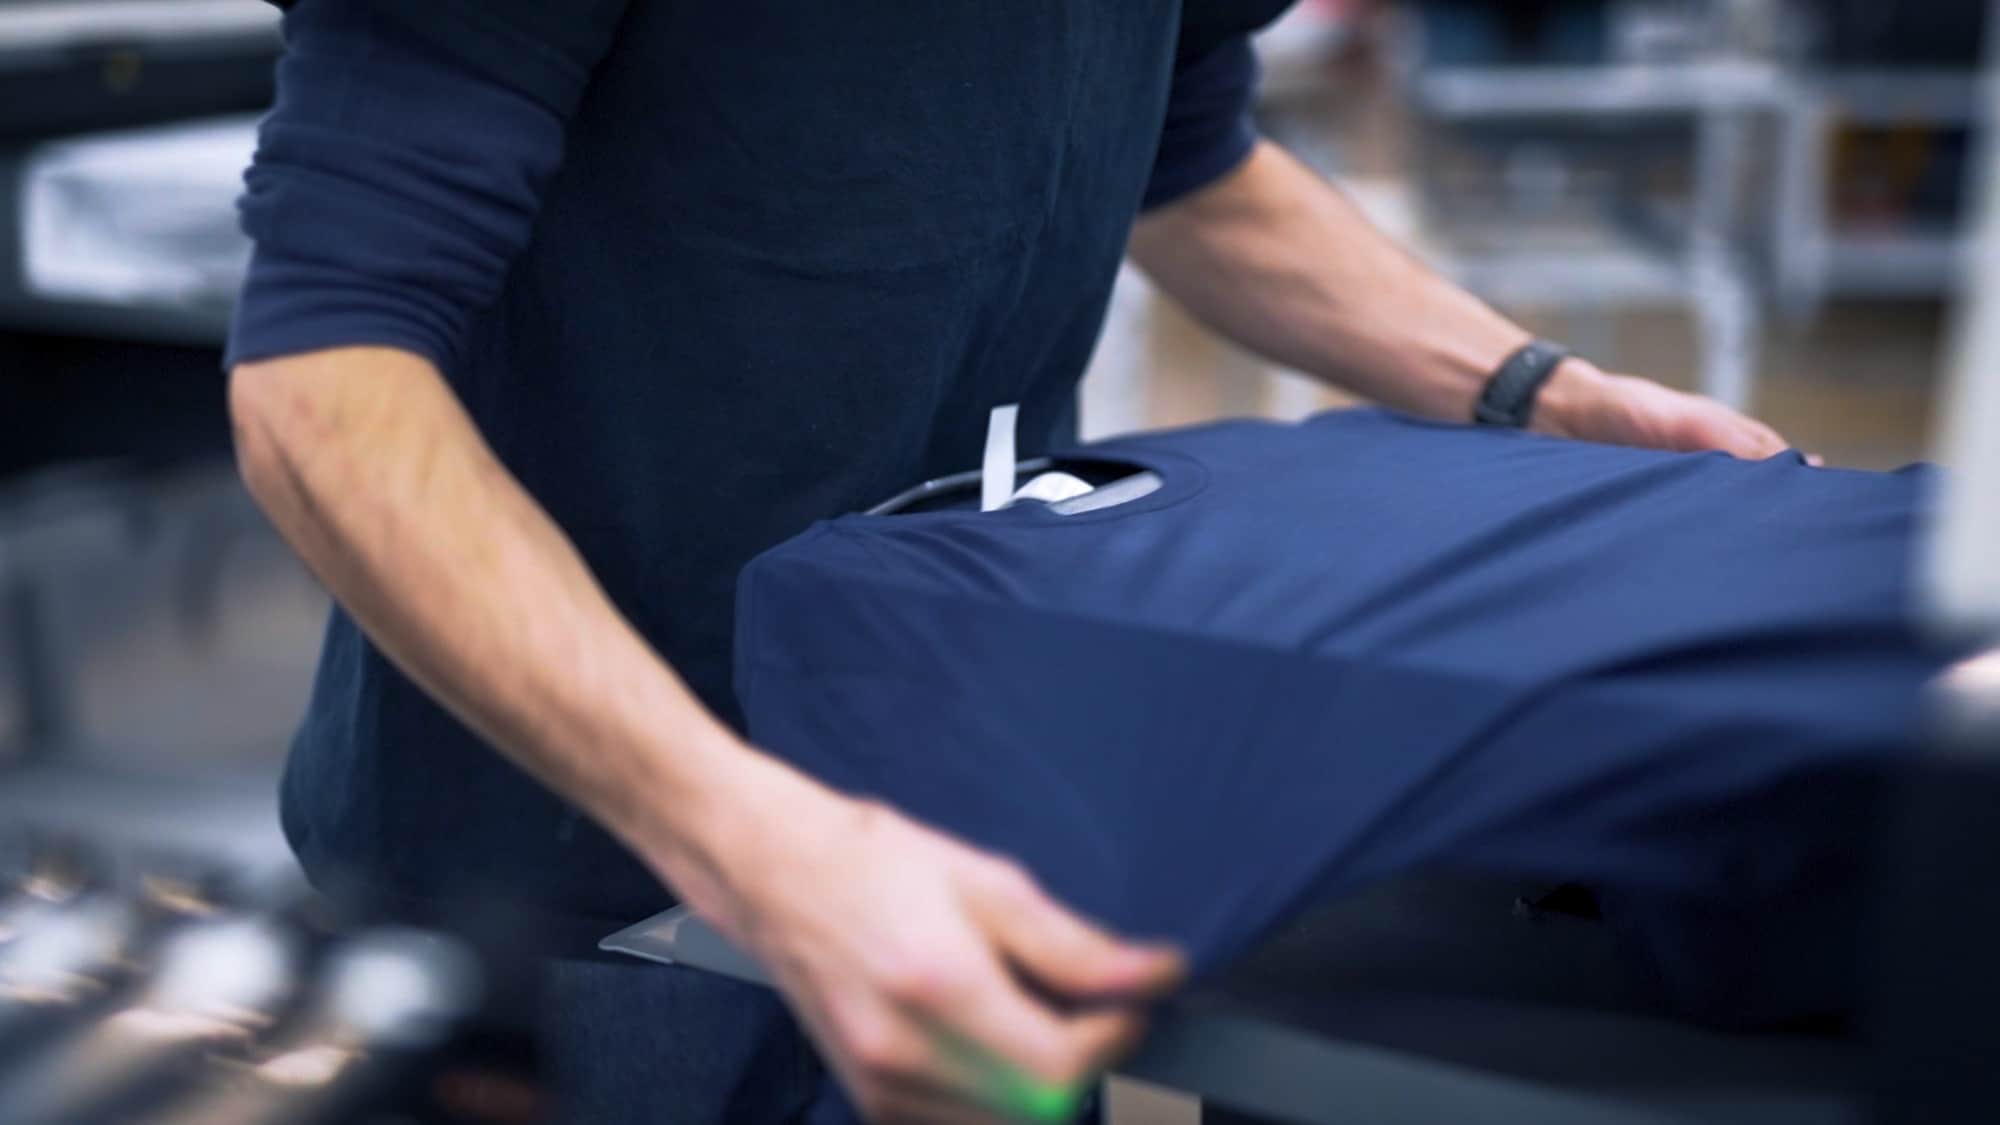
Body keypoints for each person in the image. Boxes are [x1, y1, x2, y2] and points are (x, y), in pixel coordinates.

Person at [224, 1, 1794, 1120]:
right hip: (577, 887)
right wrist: (755, 844)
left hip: (967, 802)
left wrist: (1538, 394)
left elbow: (1189, 155)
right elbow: (324, 372)